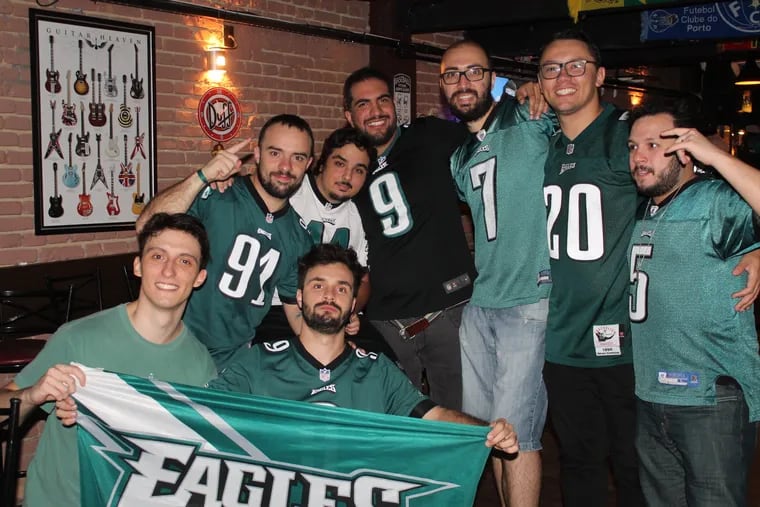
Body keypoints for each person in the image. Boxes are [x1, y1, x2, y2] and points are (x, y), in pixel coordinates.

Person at [209, 243, 518, 455]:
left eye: (341, 288)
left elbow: (434, 417)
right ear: (300, 298)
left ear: (353, 304)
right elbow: (199, 413)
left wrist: (487, 429)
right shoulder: (258, 362)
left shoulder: (377, 370)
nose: (330, 295)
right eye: (318, 285)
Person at [0, 212, 217, 507]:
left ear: (199, 277)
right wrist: (32, 394)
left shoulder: (200, 365)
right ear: (138, 266)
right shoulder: (78, 337)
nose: (169, 271)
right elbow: (6, 404)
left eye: (184, 261)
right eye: (157, 256)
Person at [627, 101, 760, 506]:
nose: (639, 156)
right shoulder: (645, 206)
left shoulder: (716, 200)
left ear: (686, 151)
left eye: (653, 144)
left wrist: (717, 155)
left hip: (709, 398)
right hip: (650, 394)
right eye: (633, 146)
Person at [440, 40, 554, 507]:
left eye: (474, 72)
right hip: (481, 304)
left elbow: (574, 113)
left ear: (491, 77)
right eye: (451, 75)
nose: (463, 83)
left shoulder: (530, 116)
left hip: (529, 298)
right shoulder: (458, 157)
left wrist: (530, 87)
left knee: (519, 434)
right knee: (489, 434)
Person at [136, 114, 315, 369]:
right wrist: (202, 177)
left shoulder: (299, 238)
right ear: (257, 153)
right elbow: (146, 226)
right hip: (174, 345)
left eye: (297, 157)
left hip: (234, 361)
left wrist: (330, 346)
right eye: (275, 153)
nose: (285, 167)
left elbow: (295, 311)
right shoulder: (218, 195)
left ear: (308, 164)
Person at [342, 67, 475, 410]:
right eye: (364, 104)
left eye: (383, 100)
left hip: (450, 310)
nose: (376, 111)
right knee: (396, 420)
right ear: (349, 115)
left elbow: (484, 132)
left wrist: (515, 103)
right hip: (386, 322)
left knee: (460, 420)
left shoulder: (429, 134)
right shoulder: (349, 164)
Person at [256, 127, 375, 342]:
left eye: (359, 170)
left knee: (380, 363)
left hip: (332, 310)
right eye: (340, 164)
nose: (347, 176)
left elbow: (364, 280)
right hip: (275, 307)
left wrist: (351, 310)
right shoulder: (291, 190)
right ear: (321, 162)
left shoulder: (360, 214)